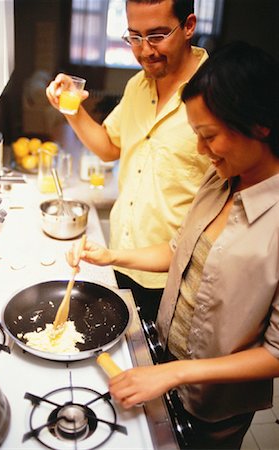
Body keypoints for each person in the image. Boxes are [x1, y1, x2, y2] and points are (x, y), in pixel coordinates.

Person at [67, 41, 279, 449]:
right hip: (163, 365)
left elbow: (274, 353)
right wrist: (112, 255)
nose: (201, 150)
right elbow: (180, 250)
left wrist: (176, 373)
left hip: (211, 403)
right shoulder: (221, 180)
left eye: (209, 135)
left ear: (260, 124)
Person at [46, 0, 210, 323]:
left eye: (157, 35)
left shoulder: (216, 92)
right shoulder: (137, 86)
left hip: (176, 276)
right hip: (121, 261)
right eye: (134, 37)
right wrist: (71, 109)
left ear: (189, 25)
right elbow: (109, 147)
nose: (145, 51)